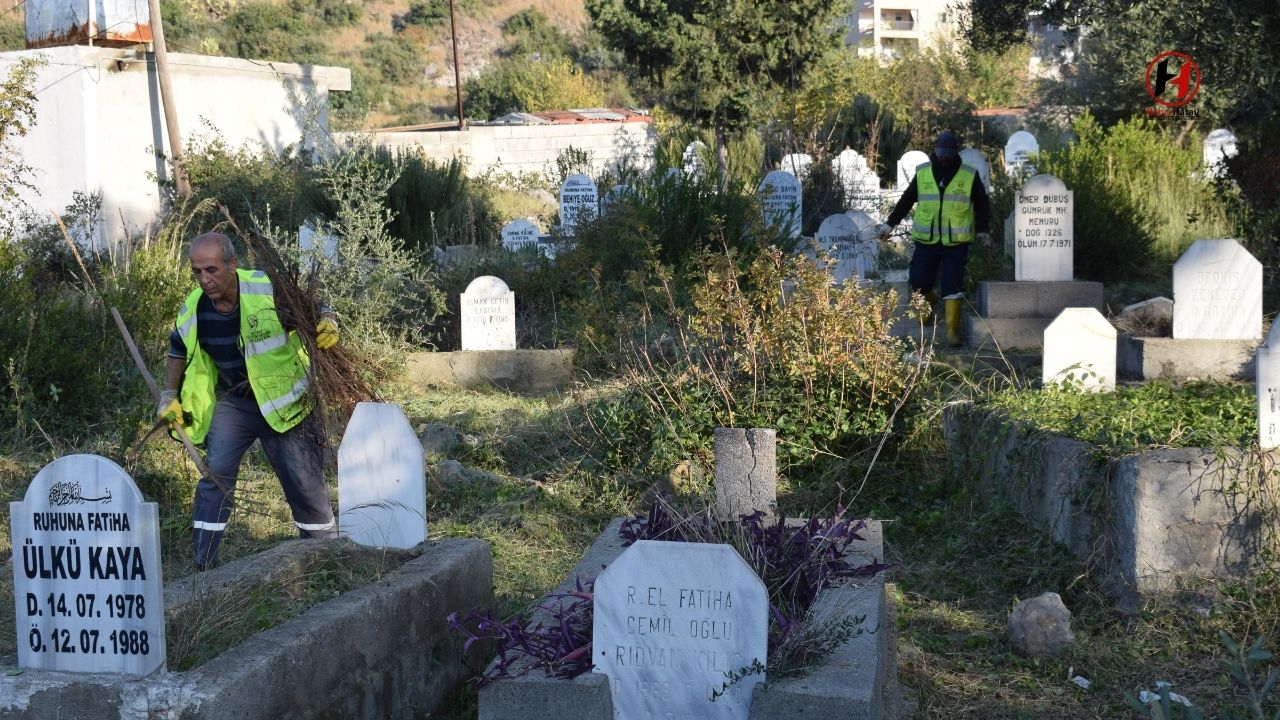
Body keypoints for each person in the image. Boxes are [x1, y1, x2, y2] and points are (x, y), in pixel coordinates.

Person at [157, 232, 341, 569]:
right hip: (234, 402)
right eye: (197, 272)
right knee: (216, 475)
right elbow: (177, 349)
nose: (204, 280)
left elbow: (317, 308)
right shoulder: (196, 306)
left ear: (232, 264)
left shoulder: (265, 288)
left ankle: (326, 558)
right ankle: (203, 565)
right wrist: (168, 395)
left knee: (304, 482)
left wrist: (329, 321)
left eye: (211, 270)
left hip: (285, 404)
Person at [880, 130, 990, 346]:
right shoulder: (923, 173)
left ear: (955, 152)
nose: (944, 156)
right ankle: (928, 306)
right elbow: (906, 200)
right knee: (919, 281)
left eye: (948, 152)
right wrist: (889, 224)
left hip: (956, 243)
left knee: (952, 285)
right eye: (941, 151)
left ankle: (952, 334)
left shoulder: (968, 174)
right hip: (926, 241)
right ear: (935, 150)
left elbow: (982, 204)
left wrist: (983, 231)